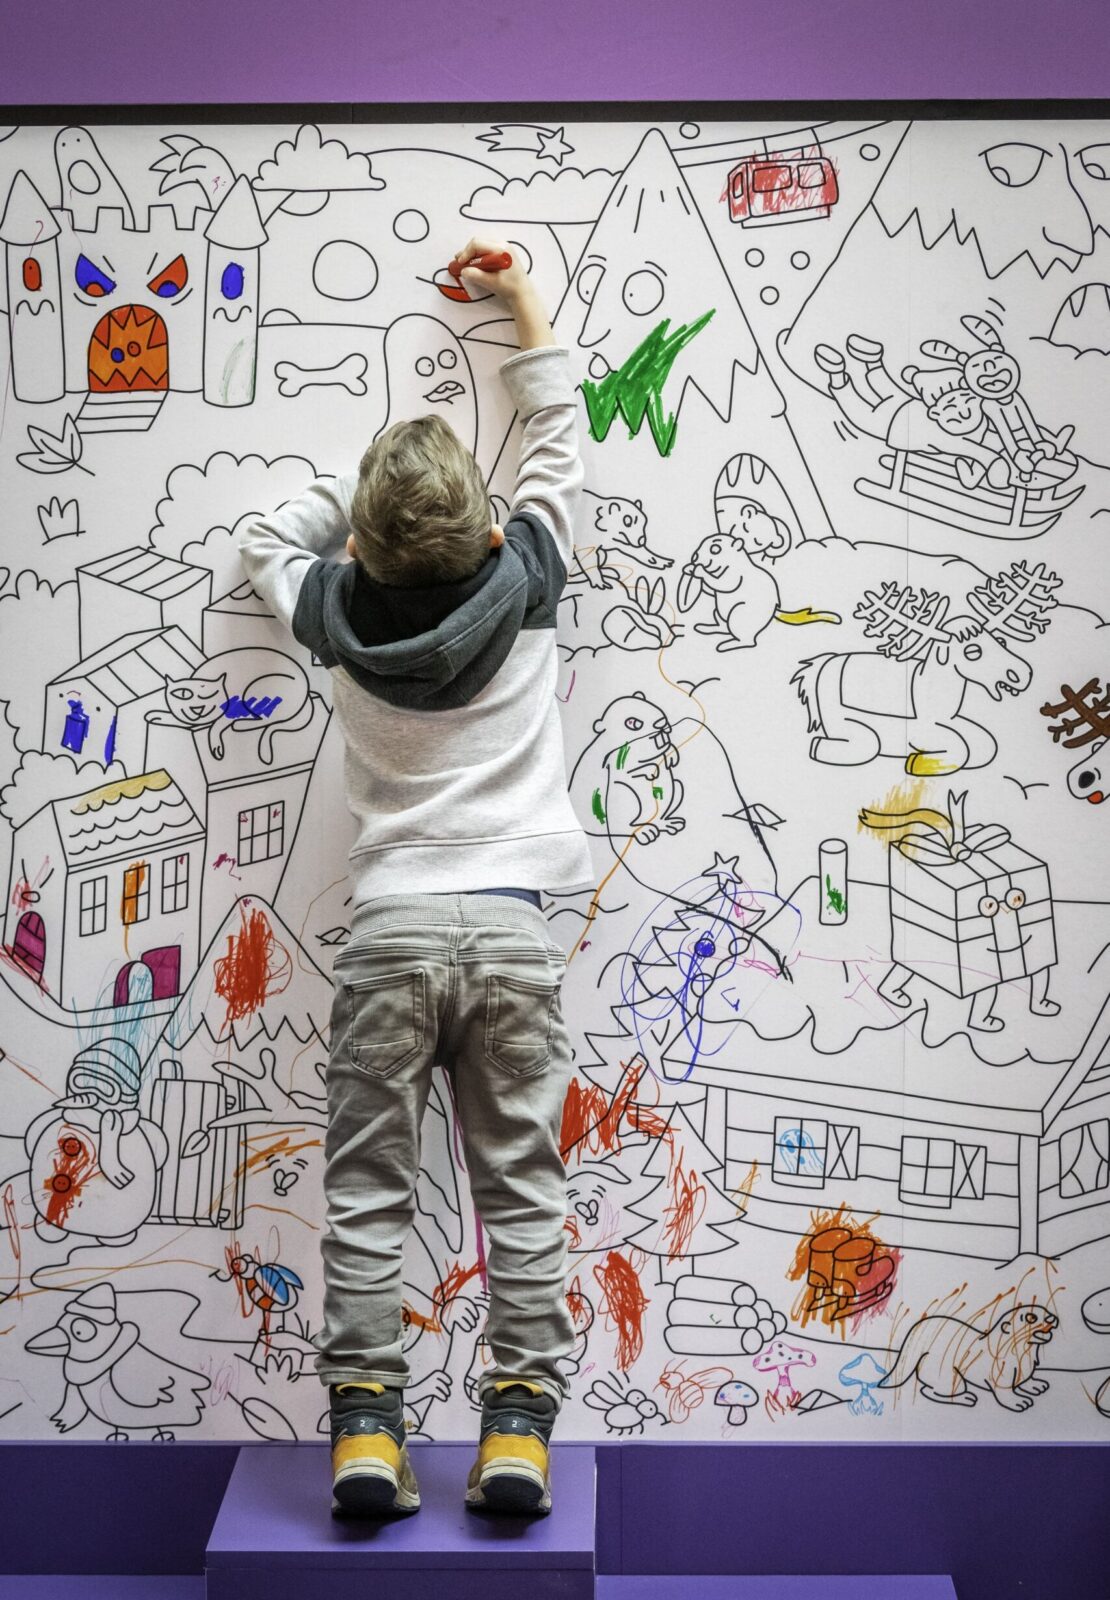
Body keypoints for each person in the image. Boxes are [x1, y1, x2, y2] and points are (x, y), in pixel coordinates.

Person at [237, 238, 594, 1519]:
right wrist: (519, 300)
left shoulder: (330, 613)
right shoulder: (532, 575)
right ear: (490, 531)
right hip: (509, 936)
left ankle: (368, 1439)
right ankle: (516, 1435)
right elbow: (558, 426)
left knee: (368, 1193)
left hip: (389, 936)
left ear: (368, 554)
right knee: (520, 1186)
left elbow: (263, 537)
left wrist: (372, 508)